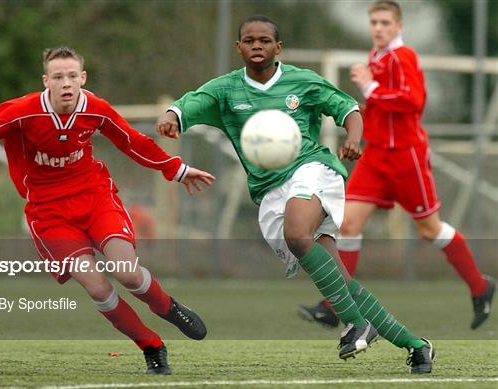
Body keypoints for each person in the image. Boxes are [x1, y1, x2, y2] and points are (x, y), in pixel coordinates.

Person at [156, 15, 435, 373]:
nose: (257, 46)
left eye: (265, 40)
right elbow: (188, 104)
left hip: (312, 170)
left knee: (297, 232)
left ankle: (355, 323)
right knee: (341, 279)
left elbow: (348, 108)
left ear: (278, 47)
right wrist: (172, 116)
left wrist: (352, 138)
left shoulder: (302, 81)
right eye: (249, 40)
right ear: (239, 47)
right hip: (271, 192)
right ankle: (416, 345)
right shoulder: (225, 89)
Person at [0, 47, 215, 375]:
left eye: (71, 76)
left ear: (82, 78)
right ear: (46, 81)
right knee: (98, 287)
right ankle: (151, 345)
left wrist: (177, 169)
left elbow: (132, 141)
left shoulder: (95, 109)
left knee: (127, 272)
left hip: (94, 197)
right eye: (58, 77)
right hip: (49, 211)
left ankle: (168, 308)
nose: (65, 83)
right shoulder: (22, 111)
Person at [298, 0, 495, 331]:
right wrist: (361, 112)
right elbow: (382, 105)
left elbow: (413, 101)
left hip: (406, 158)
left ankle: (480, 286)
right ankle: (334, 306)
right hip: (376, 157)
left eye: (385, 22)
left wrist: (370, 88)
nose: (378, 28)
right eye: (374, 22)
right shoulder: (376, 58)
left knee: (430, 228)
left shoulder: (404, 57)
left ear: (398, 26)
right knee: (346, 225)